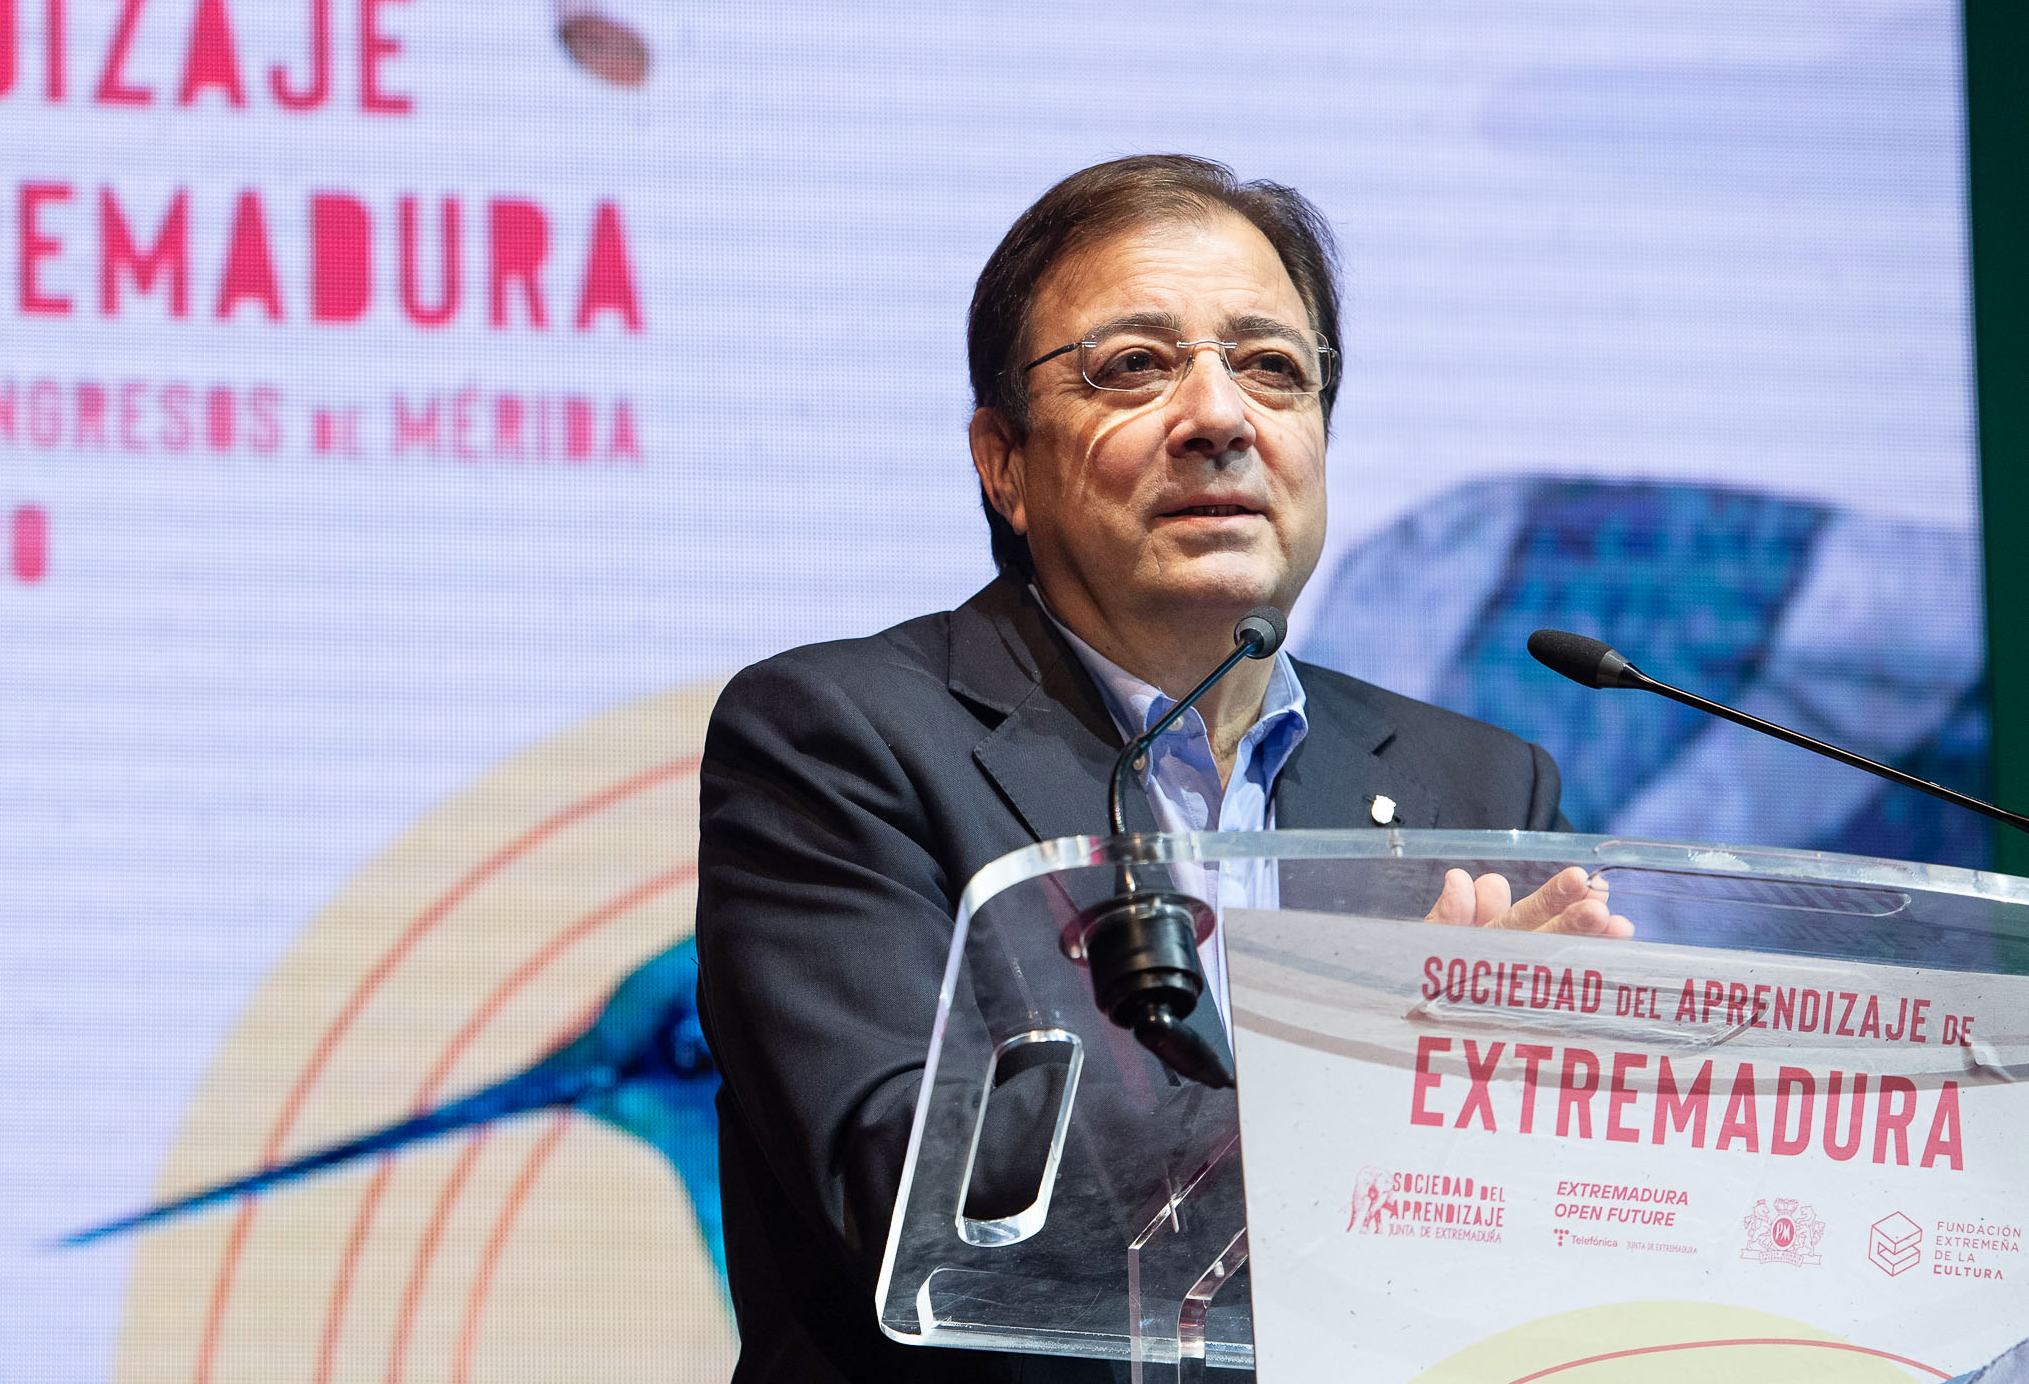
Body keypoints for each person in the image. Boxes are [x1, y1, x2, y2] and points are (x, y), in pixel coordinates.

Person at [694, 156, 1630, 1382]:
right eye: (1134, 365)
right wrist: (1383, 1093)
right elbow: (930, 1197)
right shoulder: (839, 740)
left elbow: (1564, 1236)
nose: (1219, 418)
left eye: (1271, 369)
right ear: (1002, 462)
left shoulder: (1483, 788)